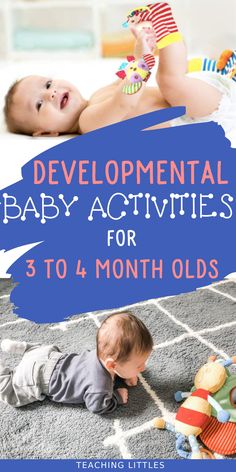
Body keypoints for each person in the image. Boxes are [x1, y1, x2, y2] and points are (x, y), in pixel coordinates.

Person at [3, 2, 236, 141]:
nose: (51, 94)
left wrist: (142, 47)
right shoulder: (88, 125)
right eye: (39, 105)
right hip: (199, 116)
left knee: (171, 78)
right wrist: (141, 61)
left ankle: (161, 28)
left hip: (193, 96)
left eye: (47, 84)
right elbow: (125, 102)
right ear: (45, 133)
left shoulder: (95, 95)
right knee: (168, 79)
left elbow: (126, 80)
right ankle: (165, 25)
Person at [0, 312, 153, 414]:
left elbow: (114, 366)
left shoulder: (100, 354)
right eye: (138, 365)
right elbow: (97, 406)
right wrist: (117, 397)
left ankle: (25, 348)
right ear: (112, 365)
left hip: (49, 356)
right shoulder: (100, 387)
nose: (143, 367)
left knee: (43, 351)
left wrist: (125, 375)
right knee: (12, 395)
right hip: (38, 376)